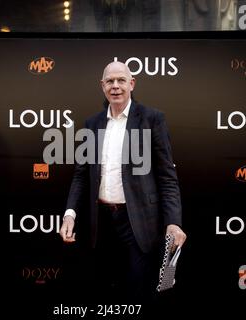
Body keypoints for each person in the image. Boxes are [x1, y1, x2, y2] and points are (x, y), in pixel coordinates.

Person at [59, 61, 186, 301]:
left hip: (139, 222)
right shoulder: (92, 124)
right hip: (101, 223)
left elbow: (167, 178)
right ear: (102, 86)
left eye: (121, 80)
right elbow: (81, 174)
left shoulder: (152, 119)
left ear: (132, 83)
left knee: (138, 292)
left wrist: (173, 222)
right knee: (103, 289)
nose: (115, 86)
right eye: (110, 81)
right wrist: (69, 214)